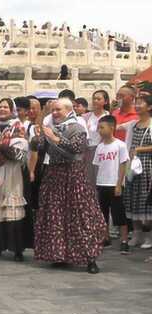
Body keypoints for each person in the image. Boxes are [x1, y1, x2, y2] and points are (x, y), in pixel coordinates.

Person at [32, 98, 105, 274]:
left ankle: (90, 258)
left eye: (58, 110)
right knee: (55, 215)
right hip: (55, 175)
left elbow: (77, 148)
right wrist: (37, 137)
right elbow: (38, 147)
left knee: (81, 217)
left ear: (68, 110)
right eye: (53, 110)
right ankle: (59, 255)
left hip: (74, 176)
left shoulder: (77, 127)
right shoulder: (51, 128)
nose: (55, 113)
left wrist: (55, 138)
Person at [0, 100, 30, 261]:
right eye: (0, 107)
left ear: (12, 110)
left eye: (5, 107)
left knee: (12, 210)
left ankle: (17, 250)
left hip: (11, 173)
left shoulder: (17, 126)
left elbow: (19, 154)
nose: (2, 109)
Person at [93, 116, 129, 253]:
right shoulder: (100, 147)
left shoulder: (120, 145)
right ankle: (105, 237)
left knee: (119, 213)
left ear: (111, 128)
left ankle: (124, 240)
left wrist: (119, 184)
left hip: (114, 184)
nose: (99, 130)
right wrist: (97, 182)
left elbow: (123, 164)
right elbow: (97, 166)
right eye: (98, 128)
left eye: (102, 127)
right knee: (103, 213)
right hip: (102, 184)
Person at [121, 96, 152, 249]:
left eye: (141, 103)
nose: (137, 105)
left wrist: (139, 149)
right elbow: (117, 126)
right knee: (132, 198)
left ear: (150, 107)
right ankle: (137, 234)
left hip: (147, 166)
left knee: (146, 200)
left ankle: (148, 237)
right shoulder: (133, 124)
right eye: (136, 103)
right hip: (132, 165)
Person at [82, 90, 110, 186]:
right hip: (87, 150)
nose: (95, 101)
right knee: (87, 178)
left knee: (99, 177)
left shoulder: (108, 116)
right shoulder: (85, 116)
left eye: (98, 99)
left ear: (105, 102)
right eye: (94, 99)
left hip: (102, 150)